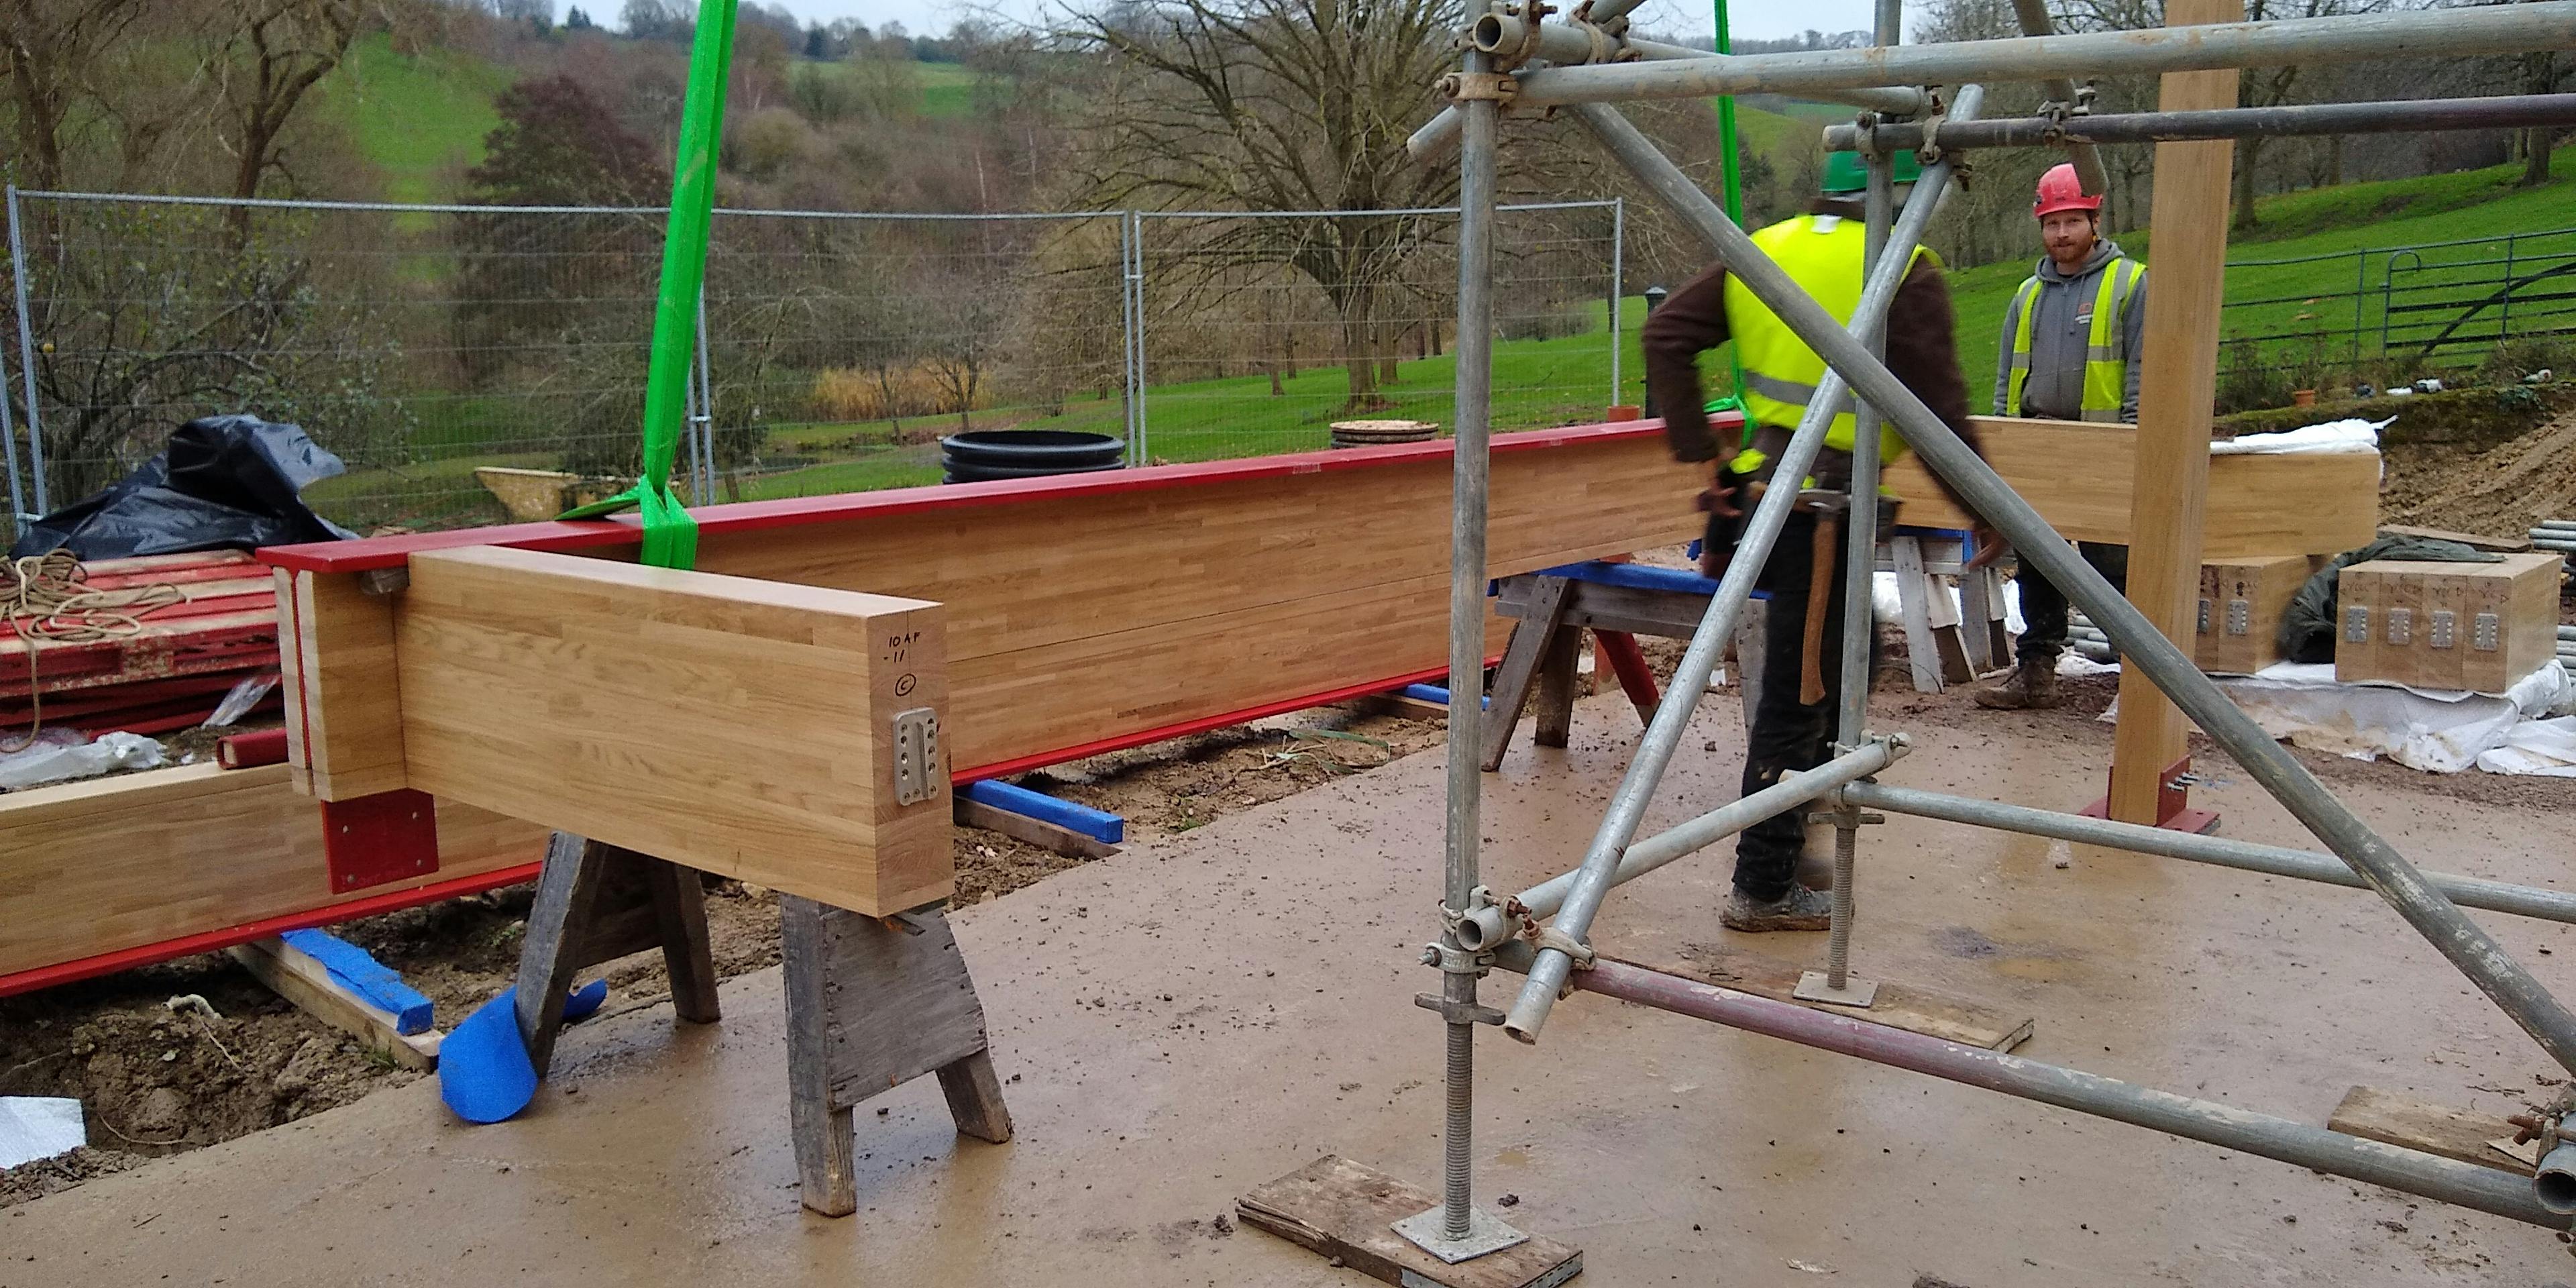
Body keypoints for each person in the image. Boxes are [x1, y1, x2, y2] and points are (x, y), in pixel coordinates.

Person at [1642, 150, 1990, 932]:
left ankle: (1795, 846)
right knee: (1800, 697)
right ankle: (1763, 887)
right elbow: (1940, 406)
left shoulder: (1764, 248)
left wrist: (1706, 452)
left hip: (1767, 497)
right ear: (1906, 191)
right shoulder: (1906, 267)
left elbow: (1665, 335)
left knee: (1825, 678)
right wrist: (1987, 504)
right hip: (1825, 512)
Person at [1975, 162, 2149, 711]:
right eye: (2052, 223)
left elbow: (2145, 366)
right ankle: (2036, 673)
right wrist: (2003, 445)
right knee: (2037, 565)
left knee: (2114, 569)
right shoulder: (2027, 295)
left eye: (2072, 221)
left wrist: (2132, 440)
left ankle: (2145, 684)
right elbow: (2006, 378)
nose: (2062, 234)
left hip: (2102, 450)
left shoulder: (2130, 283)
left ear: (2094, 221)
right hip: (2039, 449)